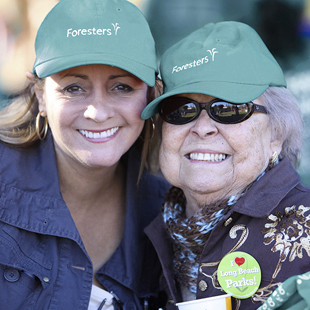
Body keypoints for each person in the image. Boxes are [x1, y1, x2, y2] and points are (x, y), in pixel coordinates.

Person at [0, 0, 170, 309]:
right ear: (39, 94)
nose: (98, 112)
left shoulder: (170, 211)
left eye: (121, 88)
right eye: (74, 89)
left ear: (151, 94)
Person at [141, 21, 310, 310]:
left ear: (277, 134)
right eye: (181, 110)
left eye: (229, 109)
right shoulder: (146, 228)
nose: (202, 128)